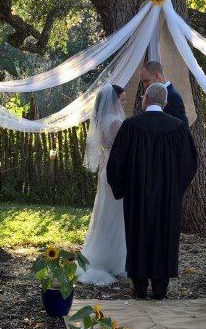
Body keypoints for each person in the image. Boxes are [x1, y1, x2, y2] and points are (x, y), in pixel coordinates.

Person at [107, 83, 199, 300]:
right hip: (167, 199)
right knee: (164, 237)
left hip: (137, 196)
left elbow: (116, 164)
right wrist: (175, 190)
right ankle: (160, 290)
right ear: (165, 103)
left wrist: (122, 188)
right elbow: (189, 164)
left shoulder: (130, 126)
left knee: (137, 235)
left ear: (145, 99)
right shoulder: (178, 128)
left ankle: (139, 288)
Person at [77, 84, 128, 286]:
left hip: (105, 168)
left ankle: (102, 252)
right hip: (116, 171)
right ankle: (115, 259)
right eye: (122, 99)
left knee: (106, 210)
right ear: (113, 100)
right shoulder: (115, 122)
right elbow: (122, 151)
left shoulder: (101, 121)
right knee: (116, 212)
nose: (124, 102)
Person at [135, 59, 187, 125]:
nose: (144, 85)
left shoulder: (173, 96)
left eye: (146, 81)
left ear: (156, 76)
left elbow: (182, 127)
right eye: (143, 82)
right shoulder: (156, 93)